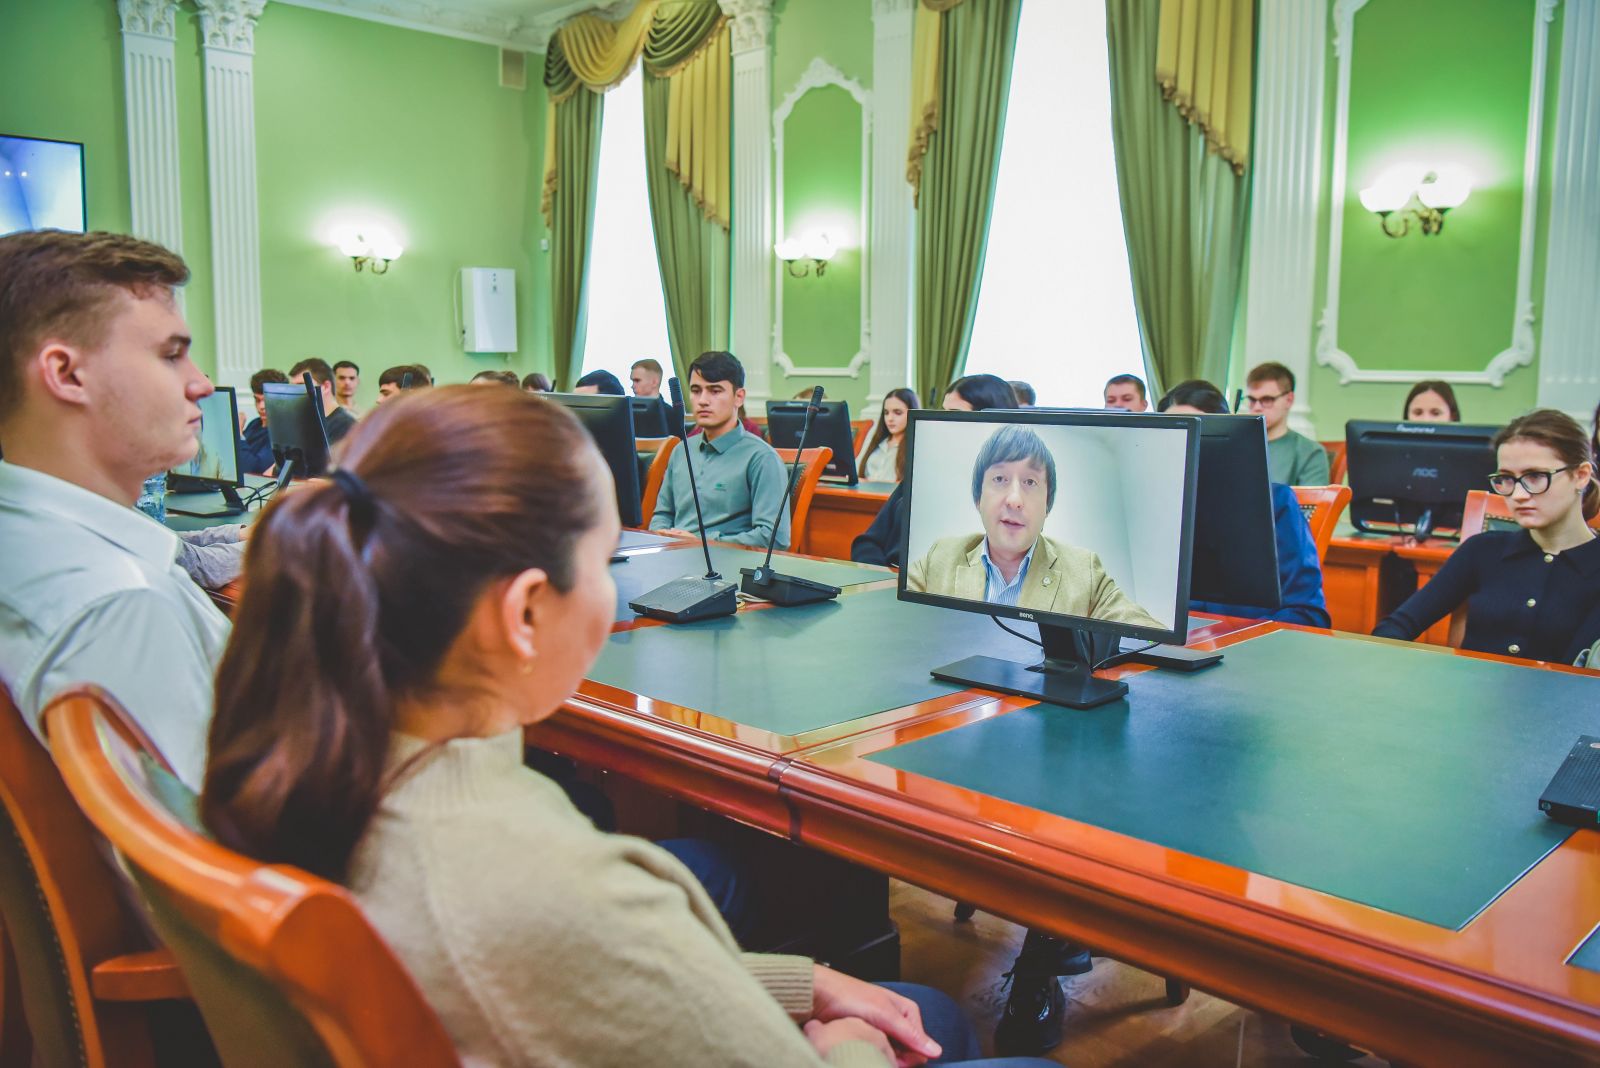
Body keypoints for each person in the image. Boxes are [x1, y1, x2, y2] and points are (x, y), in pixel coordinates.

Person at [199, 386, 1057, 1068]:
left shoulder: (308, 758)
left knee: (919, 1003)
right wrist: (849, 1043)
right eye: (602, 560)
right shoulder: (562, 884)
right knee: (942, 1022)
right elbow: (587, 946)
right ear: (524, 612)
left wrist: (805, 985)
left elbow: (586, 972)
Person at [0, 229, 229, 788]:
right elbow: (220, 826)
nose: (201, 383)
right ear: (67, 374)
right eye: (171, 355)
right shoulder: (122, 605)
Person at [1374, 409, 1600, 665]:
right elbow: (1396, 626)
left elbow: (1582, 676)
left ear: (1581, 476)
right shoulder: (1483, 550)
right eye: (1506, 478)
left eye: (1536, 476)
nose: (1518, 495)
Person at [906, 425, 1162, 626]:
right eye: (999, 478)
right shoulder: (942, 556)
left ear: (1047, 505)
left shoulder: (1084, 571)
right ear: (978, 498)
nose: (1015, 500)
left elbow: (1150, 637)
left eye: (1030, 482)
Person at [1157, 379, 1330, 627]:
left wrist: (1233, 636)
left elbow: (1307, 614)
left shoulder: (1276, 504)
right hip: (1163, 640)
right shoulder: (1150, 508)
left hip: (1246, 642)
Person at [850, 376, 1017, 568]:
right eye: (943, 412)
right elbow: (868, 542)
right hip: (891, 576)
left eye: (955, 414)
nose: (942, 422)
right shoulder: (923, 468)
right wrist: (878, 574)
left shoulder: (1006, 490)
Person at [650, 351, 791, 550]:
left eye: (715, 391)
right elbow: (662, 515)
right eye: (696, 390)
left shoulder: (762, 458)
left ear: (739, 397)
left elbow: (774, 538)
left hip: (727, 564)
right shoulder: (681, 451)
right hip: (671, 556)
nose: (703, 400)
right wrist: (661, 535)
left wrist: (703, 543)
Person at [1245, 361, 1329, 485]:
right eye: (1252, 400)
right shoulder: (1234, 445)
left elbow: (1312, 499)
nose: (1256, 407)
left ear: (1289, 400)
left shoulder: (1310, 452)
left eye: (1267, 399)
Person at [287, 357, 357, 445]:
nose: (294, 392)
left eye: (301, 385)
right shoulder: (308, 424)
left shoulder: (346, 427)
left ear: (326, 387)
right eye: (293, 387)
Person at [858, 388, 919, 483]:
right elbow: (862, 475)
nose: (890, 418)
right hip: (866, 491)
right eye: (886, 413)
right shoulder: (878, 442)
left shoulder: (916, 447)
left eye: (897, 413)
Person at [240, 367, 287, 475]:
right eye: (257, 400)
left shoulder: (282, 432)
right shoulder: (254, 424)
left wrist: (238, 434)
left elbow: (254, 470)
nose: (261, 406)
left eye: (267, 400)